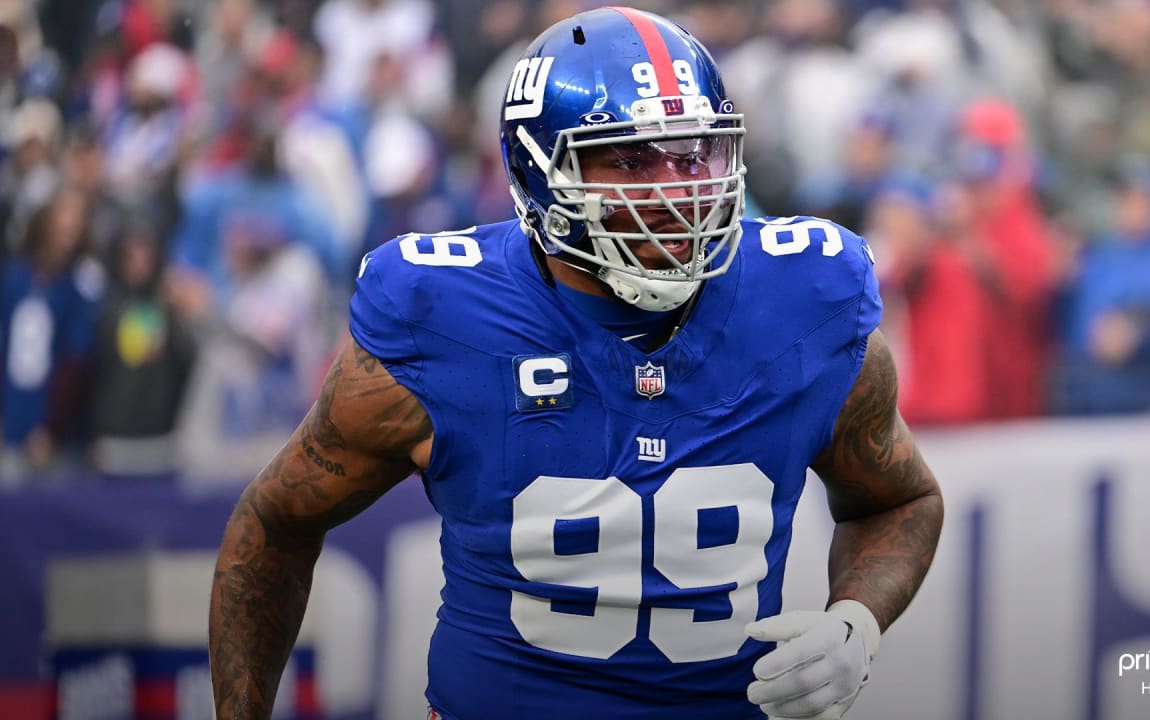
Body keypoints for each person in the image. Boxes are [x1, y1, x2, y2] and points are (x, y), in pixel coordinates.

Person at [209, 7, 943, 720]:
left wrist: (857, 620)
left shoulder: (804, 300)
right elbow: (275, 522)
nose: (675, 190)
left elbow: (900, 499)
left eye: (693, 154)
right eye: (630, 160)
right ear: (539, 175)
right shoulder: (444, 316)